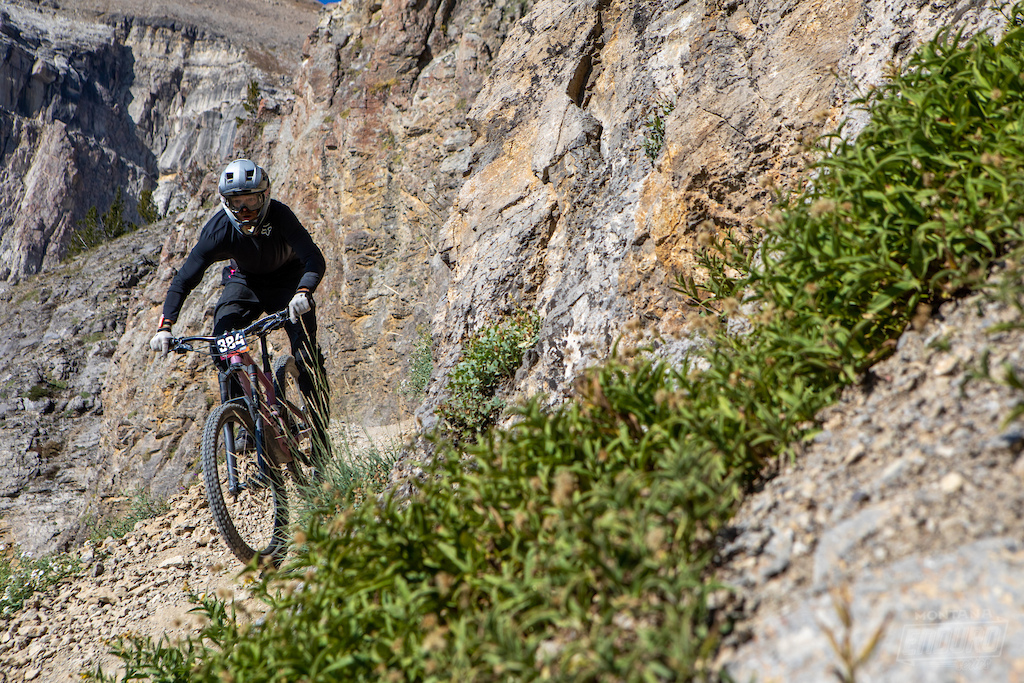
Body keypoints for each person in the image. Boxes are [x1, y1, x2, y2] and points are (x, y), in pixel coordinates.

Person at [149, 158, 330, 458]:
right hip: (245, 282)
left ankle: (322, 436)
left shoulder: (281, 216)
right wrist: (165, 326)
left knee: (305, 354)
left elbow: (314, 258)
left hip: (289, 283)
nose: (245, 210)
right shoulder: (218, 229)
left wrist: (304, 291)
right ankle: (246, 419)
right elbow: (184, 278)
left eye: (251, 201)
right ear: (225, 203)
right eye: (237, 202)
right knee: (222, 341)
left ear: (265, 196)